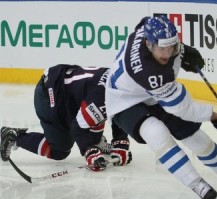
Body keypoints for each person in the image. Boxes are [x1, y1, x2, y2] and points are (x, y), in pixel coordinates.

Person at [105, 16, 217, 199]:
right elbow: (182, 108)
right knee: (155, 132)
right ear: (148, 44)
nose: (168, 53)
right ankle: (196, 183)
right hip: (123, 101)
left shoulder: (149, 31)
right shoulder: (150, 73)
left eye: (172, 46)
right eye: (162, 48)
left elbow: (146, 22)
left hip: (149, 92)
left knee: (193, 135)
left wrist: (182, 50)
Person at [0, 64, 132, 171]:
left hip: (67, 92)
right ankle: (15, 136)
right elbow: (78, 127)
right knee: (59, 151)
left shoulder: (117, 81)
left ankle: (95, 140)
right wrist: (89, 151)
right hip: (50, 96)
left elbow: (120, 108)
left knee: (96, 115)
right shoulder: (100, 99)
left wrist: (120, 142)